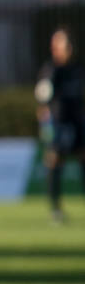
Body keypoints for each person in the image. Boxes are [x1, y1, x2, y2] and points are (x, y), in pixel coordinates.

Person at [34, 26, 84, 223]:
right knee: (55, 161)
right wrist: (47, 127)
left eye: (70, 43)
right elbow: (42, 101)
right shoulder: (51, 70)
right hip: (59, 123)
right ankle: (55, 209)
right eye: (65, 43)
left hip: (78, 121)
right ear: (55, 47)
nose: (69, 47)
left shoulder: (78, 68)